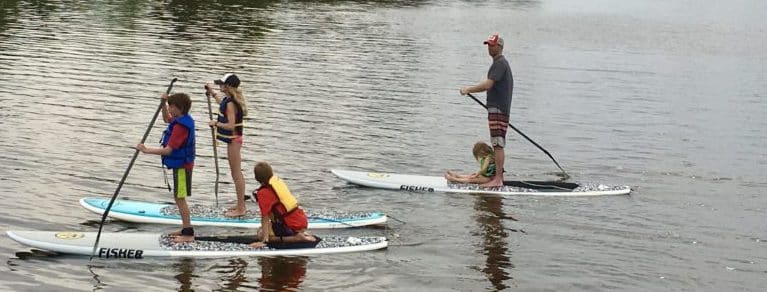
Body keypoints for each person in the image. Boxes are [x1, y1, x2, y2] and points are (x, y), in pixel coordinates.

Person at [136, 92, 196, 243]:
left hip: (183, 166)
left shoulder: (181, 127)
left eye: (171, 107)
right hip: (180, 165)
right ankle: (185, 228)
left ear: (180, 108)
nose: (169, 109)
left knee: (180, 198)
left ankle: (188, 233)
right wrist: (163, 104)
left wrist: (146, 150)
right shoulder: (179, 119)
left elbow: (168, 150)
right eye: (168, 106)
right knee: (178, 197)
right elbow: (166, 119)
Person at [460, 33, 513, 187]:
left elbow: (488, 85)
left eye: (493, 45)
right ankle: (497, 177)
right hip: (498, 108)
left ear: (500, 47)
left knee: (497, 144)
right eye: (488, 45)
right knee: (497, 143)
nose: (490, 48)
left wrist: (467, 89)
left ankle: (497, 180)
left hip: (498, 109)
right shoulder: (500, 63)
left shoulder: (500, 63)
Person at [205, 73, 248, 217]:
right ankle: (240, 203)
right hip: (234, 140)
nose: (220, 86)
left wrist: (215, 123)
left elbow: (230, 125)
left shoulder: (231, 104)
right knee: (236, 172)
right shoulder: (228, 100)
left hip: (234, 140)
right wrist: (211, 92)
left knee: (236, 173)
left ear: (228, 86)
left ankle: (241, 208)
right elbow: (220, 101)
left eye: (222, 84)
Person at [249, 162, 316, 248]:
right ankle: (300, 232)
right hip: (301, 220)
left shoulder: (263, 193)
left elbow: (264, 217)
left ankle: (295, 238)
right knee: (264, 228)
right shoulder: (277, 183)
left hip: (290, 225)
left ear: (256, 178)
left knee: (260, 233)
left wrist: (264, 240)